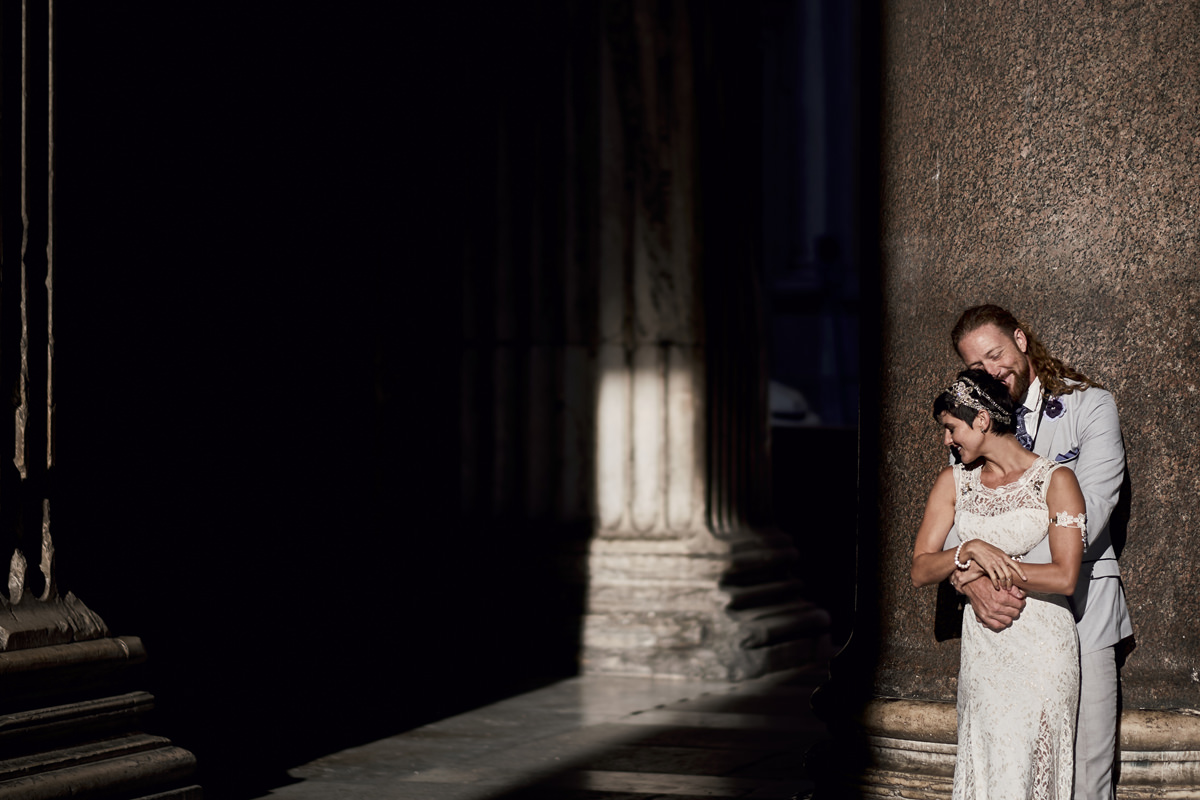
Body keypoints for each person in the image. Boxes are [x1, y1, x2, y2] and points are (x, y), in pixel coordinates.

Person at [945, 305, 1132, 800]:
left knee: (1086, 776)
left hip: (1084, 608)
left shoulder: (1091, 406)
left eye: (996, 354)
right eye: (976, 365)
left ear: (1021, 341)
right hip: (998, 625)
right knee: (1000, 769)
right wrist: (971, 581)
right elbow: (956, 527)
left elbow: (1093, 506)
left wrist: (996, 561)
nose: (991, 371)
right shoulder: (968, 420)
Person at [913, 369, 1086, 800]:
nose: (946, 441)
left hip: (1044, 649)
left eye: (952, 429)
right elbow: (920, 568)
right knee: (990, 766)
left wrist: (997, 566)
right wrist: (968, 549)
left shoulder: (1056, 481)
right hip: (986, 653)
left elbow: (1065, 576)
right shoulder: (952, 484)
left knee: (1033, 773)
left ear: (983, 421)